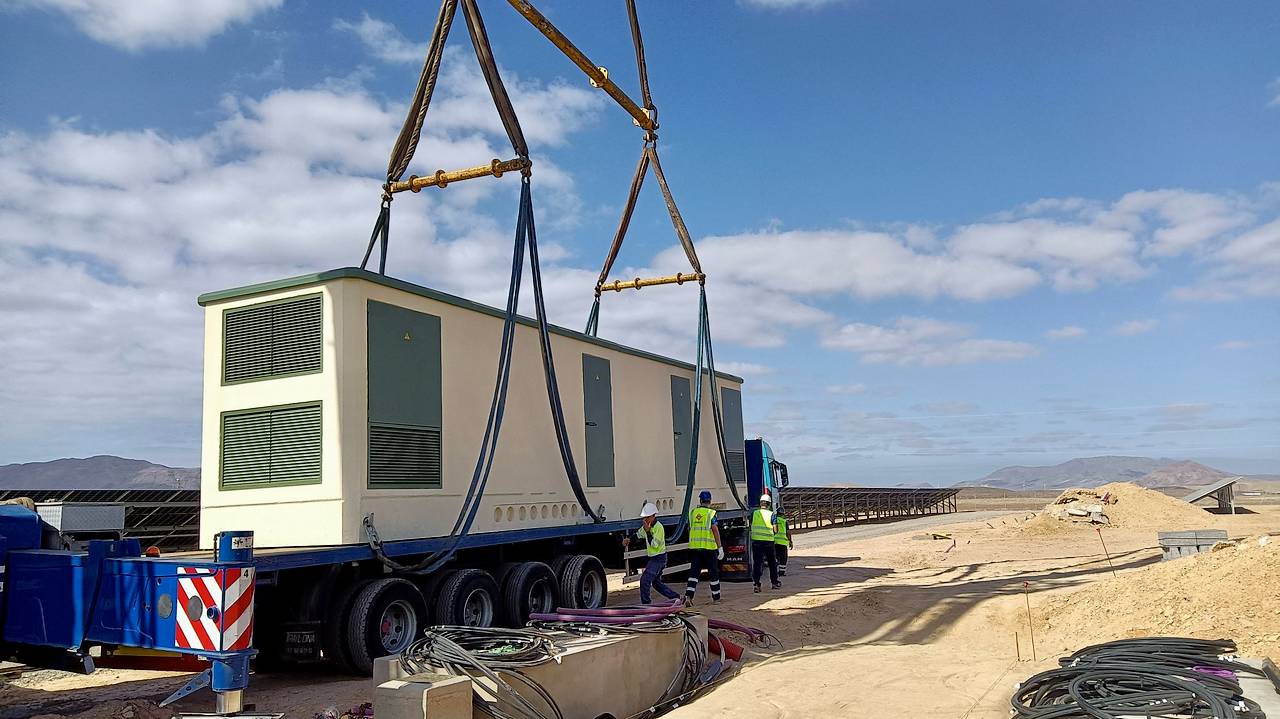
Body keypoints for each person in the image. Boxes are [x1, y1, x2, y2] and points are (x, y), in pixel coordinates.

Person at [623, 502, 680, 604]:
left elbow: (654, 545)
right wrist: (629, 539)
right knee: (656, 583)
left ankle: (646, 604)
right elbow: (638, 534)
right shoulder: (646, 527)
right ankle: (676, 597)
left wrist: (648, 532)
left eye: (647, 517)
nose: (644, 520)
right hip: (655, 558)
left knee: (645, 580)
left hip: (659, 558)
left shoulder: (659, 528)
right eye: (644, 518)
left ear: (653, 516)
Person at [684, 490, 724, 606]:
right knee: (713, 573)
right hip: (709, 549)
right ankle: (716, 598)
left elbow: (689, 529)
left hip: (695, 548)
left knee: (694, 573)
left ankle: (689, 596)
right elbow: (715, 530)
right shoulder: (711, 513)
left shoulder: (692, 513)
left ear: (700, 500)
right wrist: (719, 547)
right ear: (710, 501)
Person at [750, 494, 781, 593]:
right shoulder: (772, 515)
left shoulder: (754, 513)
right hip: (768, 542)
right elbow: (775, 530)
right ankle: (774, 583)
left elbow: (751, 525)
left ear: (760, 503)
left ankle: (756, 584)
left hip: (756, 542)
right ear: (769, 504)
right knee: (772, 563)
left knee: (758, 563)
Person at [773, 508, 794, 577]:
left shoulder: (774, 521)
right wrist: (790, 541)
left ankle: (774, 571)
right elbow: (788, 533)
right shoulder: (784, 522)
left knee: (776, 557)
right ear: (783, 514)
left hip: (774, 542)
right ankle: (781, 572)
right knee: (783, 558)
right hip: (782, 543)